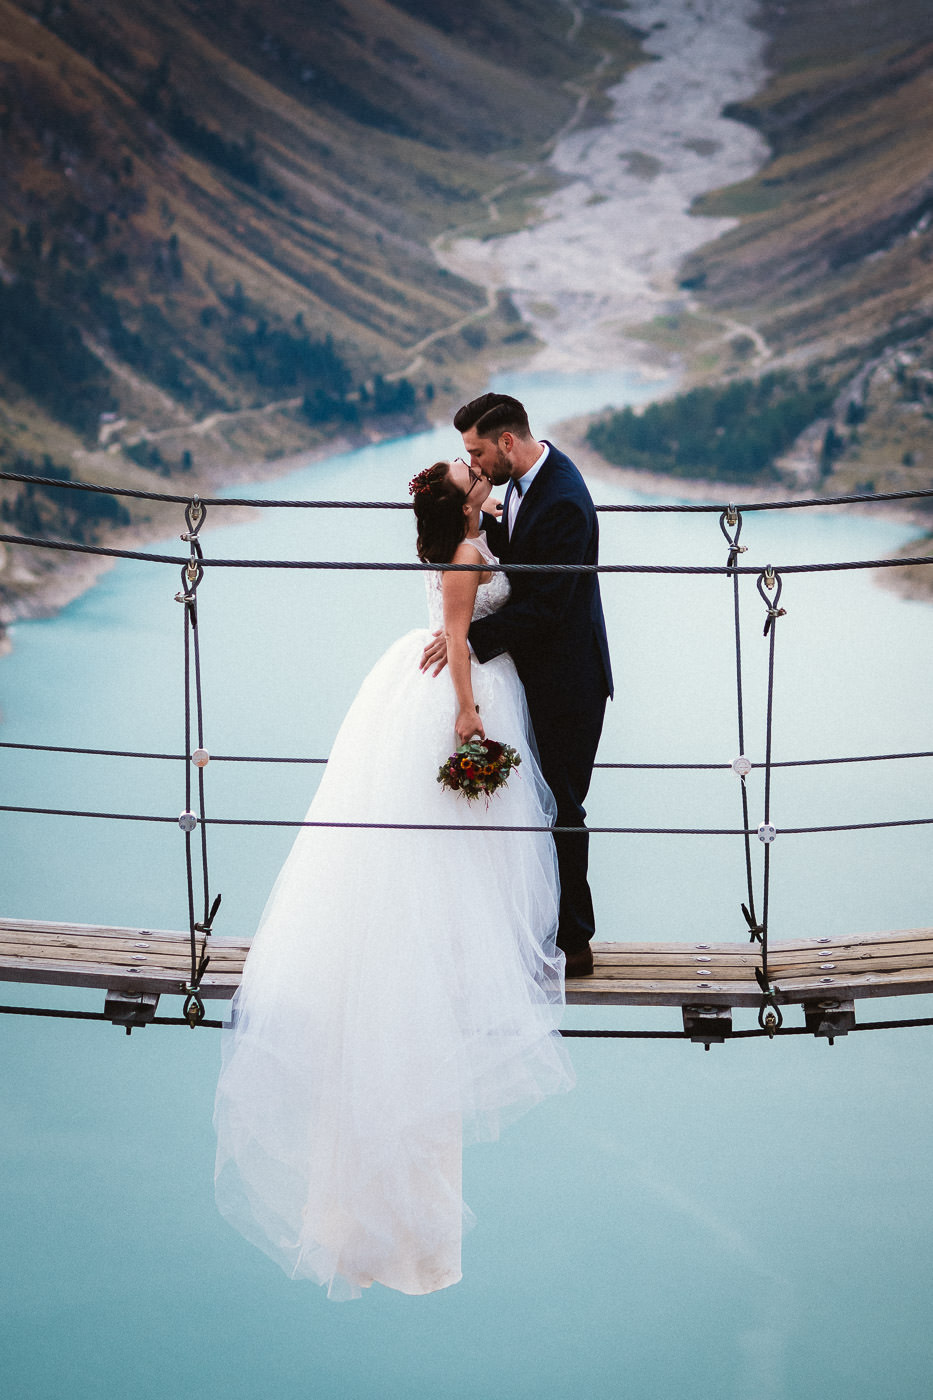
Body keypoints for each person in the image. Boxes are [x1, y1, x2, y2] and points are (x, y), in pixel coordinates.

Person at [214, 458, 573, 1300]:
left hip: (466, 683)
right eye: (466, 471)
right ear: (462, 501)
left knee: (457, 844)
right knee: (446, 839)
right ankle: (448, 950)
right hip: (460, 694)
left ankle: (455, 941)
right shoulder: (460, 554)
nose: (475, 470)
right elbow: (455, 634)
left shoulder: (474, 534)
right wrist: (467, 713)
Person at [421, 394, 613, 978]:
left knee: (562, 804)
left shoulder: (563, 501)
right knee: (534, 806)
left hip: (568, 680)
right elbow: (514, 558)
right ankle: (536, 929)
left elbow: (547, 607)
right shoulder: (527, 487)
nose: (475, 466)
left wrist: (466, 641)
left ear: (507, 442)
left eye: (477, 451)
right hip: (530, 676)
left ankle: (573, 943)